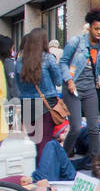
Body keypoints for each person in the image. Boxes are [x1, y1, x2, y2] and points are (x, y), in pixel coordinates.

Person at [59, 9, 100, 178]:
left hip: (90, 88)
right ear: (90, 27)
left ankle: (95, 164)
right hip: (72, 88)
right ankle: (63, 158)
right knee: (75, 127)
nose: (98, 32)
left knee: (94, 127)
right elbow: (63, 62)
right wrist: (68, 80)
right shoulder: (76, 42)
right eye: (96, 28)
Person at [14, 28, 65, 161]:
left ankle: (34, 170)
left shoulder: (19, 61)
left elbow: (17, 85)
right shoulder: (48, 58)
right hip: (45, 103)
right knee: (45, 142)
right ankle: (43, 174)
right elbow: (59, 81)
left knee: (33, 142)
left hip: (27, 104)